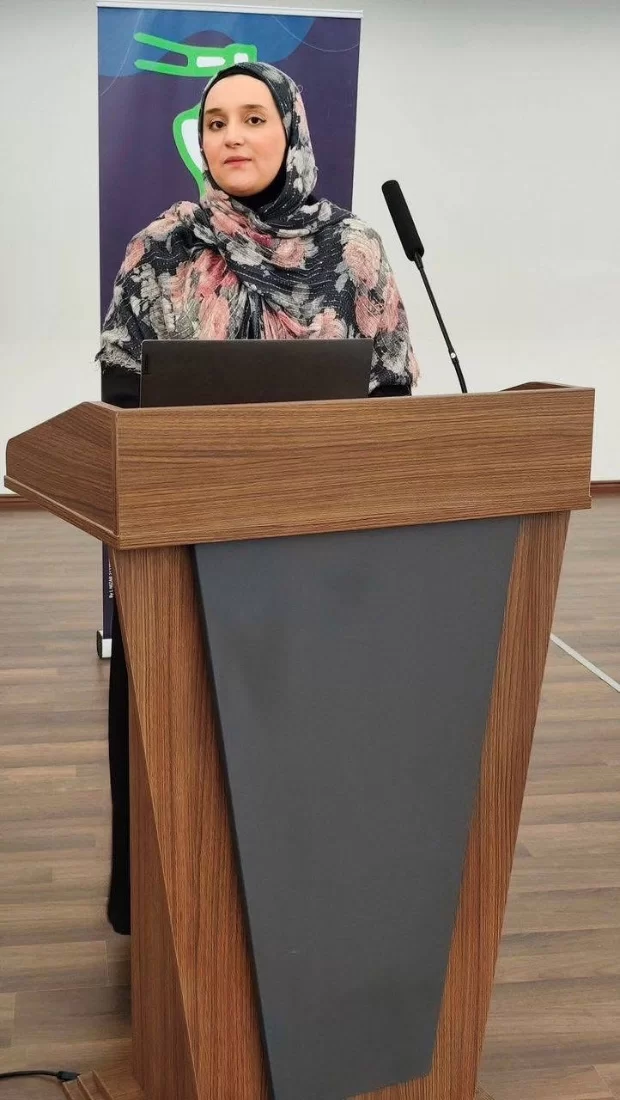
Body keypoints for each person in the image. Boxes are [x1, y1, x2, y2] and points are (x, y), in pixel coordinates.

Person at [98, 61, 419, 935]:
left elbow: (392, 393)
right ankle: (169, 914)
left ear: (292, 130)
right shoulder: (162, 246)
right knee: (183, 747)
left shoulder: (353, 249)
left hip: (320, 558)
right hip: (182, 553)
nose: (232, 137)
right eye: (216, 123)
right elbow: (121, 392)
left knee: (306, 750)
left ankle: (306, 908)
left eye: (252, 118)